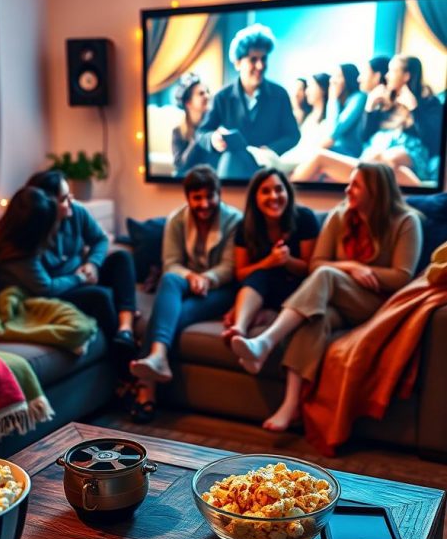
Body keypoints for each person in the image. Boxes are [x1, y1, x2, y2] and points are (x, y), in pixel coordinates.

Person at [231, 162, 422, 432]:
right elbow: (317, 262)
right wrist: (350, 266)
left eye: (355, 184)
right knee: (314, 319)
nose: (347, 189)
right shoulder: (339, 216)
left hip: (376, 304)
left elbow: (401, 277)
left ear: (375, 190)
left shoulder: (406, 222)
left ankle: (265, 342)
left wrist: (356, 270)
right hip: (336, 303)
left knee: (326, 277)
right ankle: (290, 404)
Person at [129, 165, 241, 421]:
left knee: (166, 316)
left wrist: (207, 278)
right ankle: (157, 356)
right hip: (185, 284)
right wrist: (190, 276)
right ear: (188, 198)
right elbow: (171, 262)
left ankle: (145, 390)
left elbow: (229, 266)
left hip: (220, 290)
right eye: (197, 197)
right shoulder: (177, 220)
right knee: (170, 278)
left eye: (209, 196)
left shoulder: (234, 220)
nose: (204, 204)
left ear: (219, 194)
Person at [0, 173, 138, 356]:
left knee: (121, 258)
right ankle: (125, 364)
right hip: (58, 289)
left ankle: (125, 329)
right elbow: (46, 288)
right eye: (64, 198)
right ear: (45, 206)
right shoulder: (24, 247)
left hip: (78, 275)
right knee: (101, 296)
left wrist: (92, 264)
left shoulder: (75, 213)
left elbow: (100, 239)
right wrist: (79, 278)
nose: (71, 201)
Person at [291, 55, 432, 186]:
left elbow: (431, 138)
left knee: (381, 158)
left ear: (406, 76)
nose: (387, 76)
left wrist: (414, 108)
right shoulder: (385, 102)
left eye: (393, 71)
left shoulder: (428, 102)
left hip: (401, 155)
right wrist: (370, 108)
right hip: (373, 160)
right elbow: (365, 136)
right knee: (319, 159)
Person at [221, 168, 319, 347]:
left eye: (279, 189)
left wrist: (287, 261)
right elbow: (241, 274)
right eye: (265, 191)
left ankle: (267, 315)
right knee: (260, 274)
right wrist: (269, 262)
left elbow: (311, 270)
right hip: (263, 290)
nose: (274, 196)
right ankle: (239, 329)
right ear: (255, 198)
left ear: (287, 192)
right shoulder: (245, 226)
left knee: (274, 278)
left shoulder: (305, 218)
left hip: (298, 291)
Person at [195, 23, 300, 180]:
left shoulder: (280, 94)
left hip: (267, 168)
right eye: (253, 60)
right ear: (237, 63)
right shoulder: (222, 97)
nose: (260, 65)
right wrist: (213, 139)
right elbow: (201, 133)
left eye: (264, 59)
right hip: (233, 165)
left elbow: (293, 135)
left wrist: (270, 150)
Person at [171, 71, 213, 176]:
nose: (207, 96)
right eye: (201, 93)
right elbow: (180, 166)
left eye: (207, 92)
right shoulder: (177, 132)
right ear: (188, 103)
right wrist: (197, 137)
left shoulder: (214, 126)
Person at [323, 63, 366, 157]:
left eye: (338, 76)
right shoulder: (339, 102)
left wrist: (332, 99)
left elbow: (334, 130)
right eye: (332, 76)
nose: (332, 80)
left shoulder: (359, 97)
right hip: (336, 149)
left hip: (351, 152)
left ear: (348, 79)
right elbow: (328, 131)